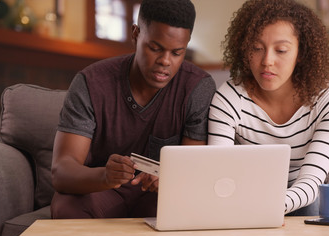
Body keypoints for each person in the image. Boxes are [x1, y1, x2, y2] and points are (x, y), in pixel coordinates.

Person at [50, 0, 216, 219]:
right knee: (65, 205)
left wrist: (172, 179)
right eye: (155, 48)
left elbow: (194, 172)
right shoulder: (91, 82)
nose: (165, 61)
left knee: (186, 209)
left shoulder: (197, 88)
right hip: (104, 191)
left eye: (177, 53)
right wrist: (105, 177)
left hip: (160, 198)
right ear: (136, 34)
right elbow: (62, 171)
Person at [208, 0, 329, 215]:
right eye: (256, 48)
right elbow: (218, 173)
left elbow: (311, 185)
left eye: (281, 50)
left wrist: (268, 207)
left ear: (301, 53)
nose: (267, 61)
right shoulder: (230, 97)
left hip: (303, 200)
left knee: (312, 206)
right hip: (246, 196)